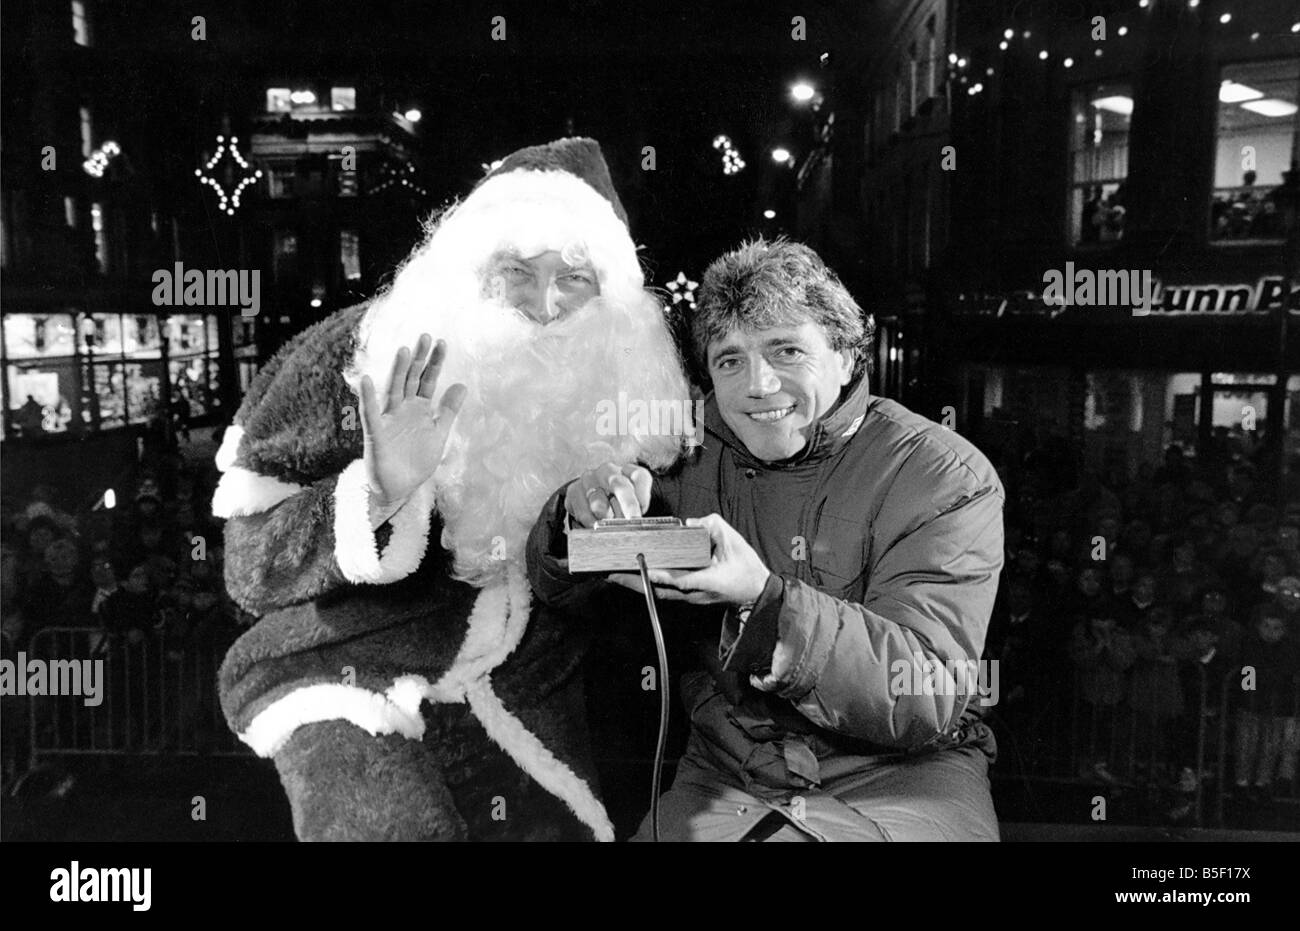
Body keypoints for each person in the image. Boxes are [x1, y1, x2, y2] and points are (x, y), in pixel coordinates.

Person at [212, 138, 691, 841]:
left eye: (575, 278)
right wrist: (375, 492)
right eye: (517, 272)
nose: (546, 303)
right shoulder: (364, 354)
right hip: (344, 675)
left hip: (523, 686)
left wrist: (599, 531)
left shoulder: (619, 379)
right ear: (471, 268)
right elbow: (250, 565)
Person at [528, 238, 1005, 841]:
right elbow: (557, 595)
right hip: (730, 768)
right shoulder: (678, 448)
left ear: (844, 354)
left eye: (786, 350)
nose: (757, 383)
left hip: (904, 774)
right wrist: (574, 516)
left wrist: (764, 600)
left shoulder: (942, 475)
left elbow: (924, 695)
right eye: (730, 359)